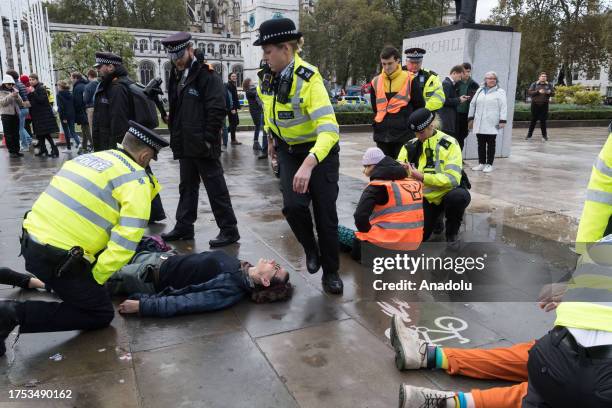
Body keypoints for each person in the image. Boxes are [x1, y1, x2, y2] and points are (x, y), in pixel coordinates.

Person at [0, 121, 168, 357]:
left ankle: (18, 279)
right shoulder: (135, 182)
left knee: (78, 287)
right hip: (58, 259)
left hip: (31, 243)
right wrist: (96, 279)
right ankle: (10, 314)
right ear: (144, 155)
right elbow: (124, 245)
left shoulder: (90, 158)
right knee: (99, 313)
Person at [255, 18, 343, 294]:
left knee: (325, 215)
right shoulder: (265, 78)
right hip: (289, 151)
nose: (265, 57)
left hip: (320, 152)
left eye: (268, 51)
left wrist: (309, 163)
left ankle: (331, 272)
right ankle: (310, 248)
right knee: (293, 206)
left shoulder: (309, 79)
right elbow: (270, 112)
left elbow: (330, 131)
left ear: (285, 49)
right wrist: (271, 139)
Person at [2, 250, 293, 318]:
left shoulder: (232, 288)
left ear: (265, 280)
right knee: (89, 263)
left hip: (144, 278)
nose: (273, 261)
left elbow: (190, 302)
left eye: (275, 267)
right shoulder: (239, 267)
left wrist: (145, 306)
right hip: (152, 258)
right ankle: (32, 280)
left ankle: (29, 281)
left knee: (83, 281)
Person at [160, 32, 240, 247]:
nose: (175, 60)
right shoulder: (177, 74)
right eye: (172, 56)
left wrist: (207, 139)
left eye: (178, 55)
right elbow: (178, 107)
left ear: (190, 49)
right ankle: (184, 226)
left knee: (216, 188)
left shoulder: (207, 75)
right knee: (186, 186)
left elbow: (216, 109)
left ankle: (229, 230)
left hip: (203, 144)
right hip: (185, 142)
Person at [397, 108, 470, 248]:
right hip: (424, 197)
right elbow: (399, 171)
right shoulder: (410, 146)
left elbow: (453, 179)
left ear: (431, 125)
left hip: (447, 192)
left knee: (458, 197)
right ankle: (436, 218)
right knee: (419, 238)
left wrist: (423, 177)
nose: (419, 136)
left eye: (421, 132)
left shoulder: (449, 143)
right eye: (416, 133)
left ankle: (452, 234)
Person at [339, 147, 423, 261]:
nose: (364, 171)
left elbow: (360, 216)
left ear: (376, 166)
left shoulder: (377, 186)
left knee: (335, 231)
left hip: (382, 248)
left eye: (367, 166)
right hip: (412, 245)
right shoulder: (412, 183)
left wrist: (367, 232)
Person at [370, 46, 424, 159]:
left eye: (390, 63)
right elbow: (376, 108)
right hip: (382, 135)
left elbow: (419, 107)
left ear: (398, 61)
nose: (386, 67)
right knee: (384, 172)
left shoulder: (410, 79)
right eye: (384, 64)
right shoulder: (375, 81)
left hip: (403, 136)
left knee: (403, 171)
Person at [91, 52, 133, 151]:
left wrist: (115, 150)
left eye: (100, 66)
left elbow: (119, 122)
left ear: (110, 67)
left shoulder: (117, 88)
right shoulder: (108, 85)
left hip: (111, 147)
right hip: (106, 144)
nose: (97, 70)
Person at [468, 71, 507, 173]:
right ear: (485, 80)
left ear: (496, 80)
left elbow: (504, 107)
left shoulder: (500, 91)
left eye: (493, 78)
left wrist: (503, 120)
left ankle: (489, 164)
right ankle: (481, 163)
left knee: (491, 143)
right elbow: (473, 104)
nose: (491, 80)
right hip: (479, 122)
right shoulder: (480, 90)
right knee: (480, 143)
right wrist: (471, 118)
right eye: (489, 78)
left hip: (492, 122)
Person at [404, 48, 445, 113]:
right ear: (406, 61)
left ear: (421, 62)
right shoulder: (398, 74)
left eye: (418, 62)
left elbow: (439, 99)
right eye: (412, 62)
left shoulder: (431, 77)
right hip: (402, 115)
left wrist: (422, 110)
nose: (415, 65)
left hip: (423, 115)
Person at [28, 73, 59, 158]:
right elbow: (32, 101)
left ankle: (54, 149)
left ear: (37, 80)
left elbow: (41, 100)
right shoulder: (33, 89)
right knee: (39, 134)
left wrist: (33, 92)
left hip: (43, 115)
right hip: (37, 115)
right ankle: (43, 149)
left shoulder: (41, 88)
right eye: (30, 80)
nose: (31, 81)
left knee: (46, 134)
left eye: (33, 79)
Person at [439, 65, 470, 139]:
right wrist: (459, 100)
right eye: (459, 77)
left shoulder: (451, 84)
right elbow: (444, 100)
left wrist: (459, 99)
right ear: (454, 73)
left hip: (448, 119)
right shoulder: (446, 84)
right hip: (446, 119)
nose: (460, 79)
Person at [455, 62, 479, 151]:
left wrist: (473, 118)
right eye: (464, 72)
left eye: (468, 71)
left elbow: (476, 102)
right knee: (454, 136)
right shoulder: (456, 83)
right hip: (455, 114)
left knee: (462, 136)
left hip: (466, 115)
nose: (466, 74)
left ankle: (459, 158)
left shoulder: (474, 85)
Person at [6, 69, 32, 152]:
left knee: (19, 128)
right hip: (26, 108)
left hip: (20, 108)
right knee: (22, 127)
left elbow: (15, 97)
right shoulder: (20, 83)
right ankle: (29, 140)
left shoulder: (15, 86)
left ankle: (25, 146)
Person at [0, 74, 24, 158]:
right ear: (4, 83)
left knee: (16, 133)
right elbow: (2, 103)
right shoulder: (1, 91)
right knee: (8, 134)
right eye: (8, 84)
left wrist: (17, 96)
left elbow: (21, 103)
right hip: (6, 115)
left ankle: (17, 151)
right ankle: (12, 151)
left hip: (15, 114)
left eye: (12, 84)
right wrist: (11, 95)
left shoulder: (15, 90)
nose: (10, 86)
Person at [244, 77, 268, 159]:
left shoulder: (252, 89)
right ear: (248, 83)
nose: (252, 81)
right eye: (251, 81)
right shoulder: (249, 91)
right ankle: (256, 142)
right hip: (255, 110)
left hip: (258, 109)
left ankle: (256, 142)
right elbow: (256, 93)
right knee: (258, 125)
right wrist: (259, 86)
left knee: (258, 126)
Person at [526, 72, 554, 142]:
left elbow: (553, 93)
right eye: (542, 76)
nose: (543, 77)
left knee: (543, 121)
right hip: (535, 104)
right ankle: (529, 136)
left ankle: (544, 136)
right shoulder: (534, 84)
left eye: (545, 76)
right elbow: (529, 93)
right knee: (533, 120)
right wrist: (538, 92)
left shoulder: (549, 84)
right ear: (539, 77)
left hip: (544, 104)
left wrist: (549, 93)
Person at [71, 72, 93, 153]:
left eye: (72, 78)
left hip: (82, 111)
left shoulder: (77, 87)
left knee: (86, 129)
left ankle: (94, 146)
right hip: (85, 110)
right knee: (84, 129)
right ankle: (84, 147)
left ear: (76, 78)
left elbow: (77, 102)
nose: (71, 80)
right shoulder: (84, 85)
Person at [56, 80, 81, 151]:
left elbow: (61, 107)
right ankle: (79, 143)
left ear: (61, 87)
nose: (57, 87)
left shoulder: (59, 95)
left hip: (64, 115)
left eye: (58, 86)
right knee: (72, 131)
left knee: (66, 132)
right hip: (72, 114)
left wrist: (63, 117)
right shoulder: (70, 93)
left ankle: (69, 148)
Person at [227, 72, 242, 146]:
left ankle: (225, 133)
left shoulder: (233, 85)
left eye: (235, 76)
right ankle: (233, 140)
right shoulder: (229, 85)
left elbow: (235, 97)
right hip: (231, 108)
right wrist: (232, 108)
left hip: (234, 107)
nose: (234, 77)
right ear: (229, 77)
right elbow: (230, 97)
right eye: (232, 76)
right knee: (233, 123)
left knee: (235, 122)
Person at [83, 69, 98, 136]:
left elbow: (86, 99)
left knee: (92, 128)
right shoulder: (101, 83)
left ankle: (95, 145)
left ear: (89, 76)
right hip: (101, 107)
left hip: (91, 108)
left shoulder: (88, 86)